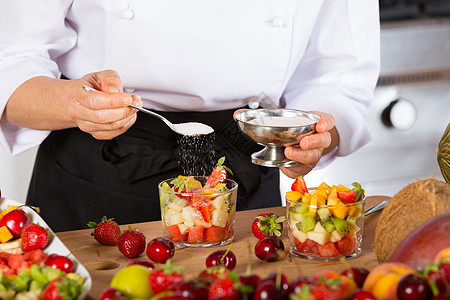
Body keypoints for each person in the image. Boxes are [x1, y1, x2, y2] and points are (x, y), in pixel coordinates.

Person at [0, 1, 380, 232]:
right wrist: (72, 103)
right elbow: (11, 59)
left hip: (248, 166)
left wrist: (311, 137)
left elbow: (337, 77)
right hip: (96, 169)